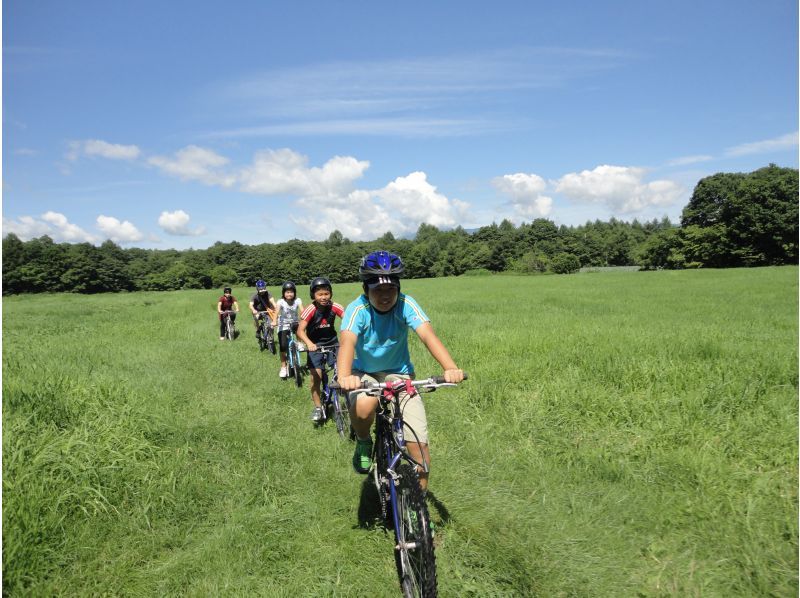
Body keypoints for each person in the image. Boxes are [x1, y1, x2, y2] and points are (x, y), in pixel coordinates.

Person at [337, 251, 463, 492]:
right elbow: (348, 342)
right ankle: (364, 441)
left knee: (420, 449)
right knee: (364, 406)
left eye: (390, 290)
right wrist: (345, 376)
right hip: (365, 374)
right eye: (377, 290)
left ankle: (417, 511)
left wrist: (450, 368)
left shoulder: (406, 304)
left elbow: (427, 335)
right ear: (366, 289)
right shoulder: (357, 309)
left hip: (400, 375)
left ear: (398, 288)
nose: (385, 296)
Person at [296, 277, 345, 423]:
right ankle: (318, 407)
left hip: (333, 343)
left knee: (341, 372)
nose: (323, 297)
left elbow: (348, 318)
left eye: (326, 294)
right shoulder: (310, 310)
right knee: (315, 377)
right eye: (320, 295)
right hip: (315, 345)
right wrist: (309, 344)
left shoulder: (335, 306)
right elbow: (300, 331)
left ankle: (342, 401)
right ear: (313, 296)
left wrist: (348, 338)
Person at [275, 281, 304, 378]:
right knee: (283, 346)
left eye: (291, 292)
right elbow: (276, 312)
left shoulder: (298, 300)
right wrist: (274, 321)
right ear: (283, 293)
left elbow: (302, 310)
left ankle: (299, 343)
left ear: (294, 293)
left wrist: (305, 318)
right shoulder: (280, 302)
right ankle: (283, 367)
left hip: (294, 322)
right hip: (283, 324)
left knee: (301, 328)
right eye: (287, 292)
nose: (289, 294)